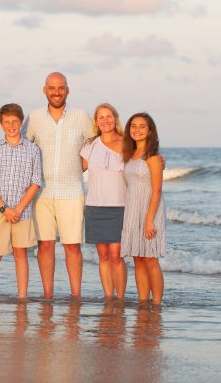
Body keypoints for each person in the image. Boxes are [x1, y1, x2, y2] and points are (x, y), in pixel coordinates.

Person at [23, 72, 94, 298]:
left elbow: (97, 144)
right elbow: (23, 148)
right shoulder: (33, 118)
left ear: (67, 90)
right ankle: (48, 296)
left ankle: (76, 297)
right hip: (41, 193)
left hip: (72, 192)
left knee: (72, 246)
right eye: (52, 88)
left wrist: (80, 166)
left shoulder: (81, 116)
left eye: (60, 88)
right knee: (45, 246)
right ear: (45, 90)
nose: (56, 92)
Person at [0, 103, 42, 299]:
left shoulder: (32, 150)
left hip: (22, 211)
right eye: (7, 122)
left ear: (20, 122)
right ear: (1, 124)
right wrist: (4, 209)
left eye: (15, 121)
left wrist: (17, 209)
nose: (11, 125)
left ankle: (22, 296)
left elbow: (35, 182)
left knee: (20, 254)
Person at [80, 103, 127, 300]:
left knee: (117, 256)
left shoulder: (127, 143)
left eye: (109, 116)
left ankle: (121, 298)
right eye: (101, 117)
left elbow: (144, 162)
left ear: (115, 118)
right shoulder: (89, 145)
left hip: (120, 206)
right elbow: (76, 170)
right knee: (103, 256)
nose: (106, 120)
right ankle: (109, 298)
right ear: (96, 122)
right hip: (95, 206)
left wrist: (160, 161)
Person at [120, 112, 166, 304]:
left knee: (150, 259)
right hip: (132, 209)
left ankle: (156, 303)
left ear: (150, 131)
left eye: (142, 126)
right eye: (133, 126)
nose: (137, 130)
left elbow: (157, 190)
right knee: (138, 258)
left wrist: (149, 220)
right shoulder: (129, 155)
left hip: (149, 210)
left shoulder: (153, 157)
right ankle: (143, 302)